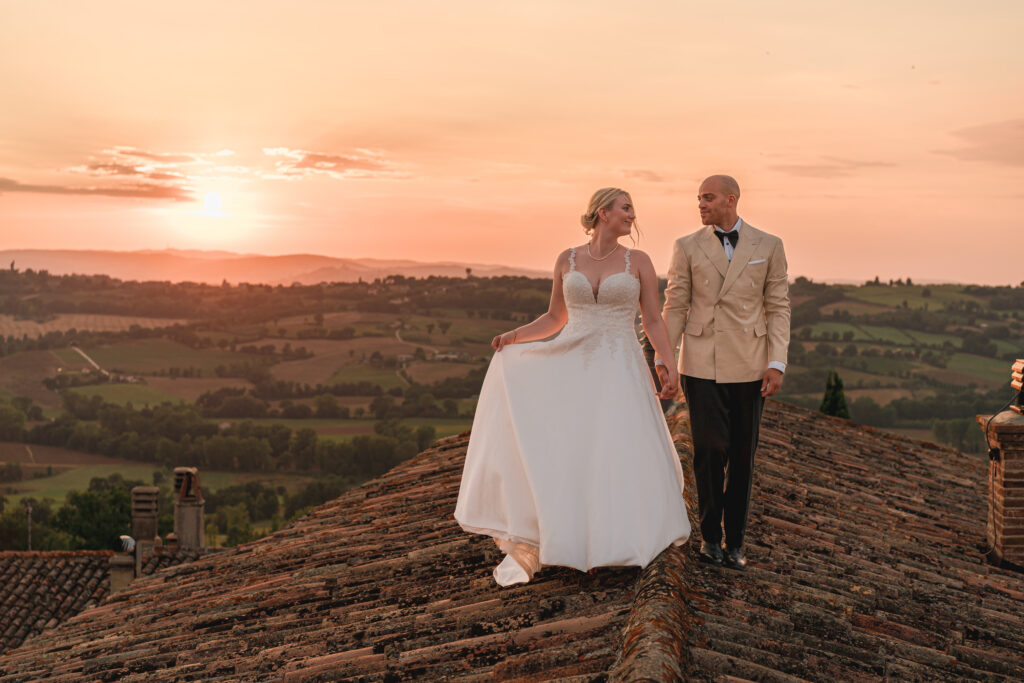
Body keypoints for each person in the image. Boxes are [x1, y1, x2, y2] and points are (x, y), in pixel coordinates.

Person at [454, 188, 691, 586]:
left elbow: (652, 319)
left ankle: (617, 541)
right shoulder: (567, 259)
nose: (633, 216)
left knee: (617, 448)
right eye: (626, 208)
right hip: (574, 364)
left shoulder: (640, 262)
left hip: (620, 366)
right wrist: (514, 336)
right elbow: (553, 317)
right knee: (575, 450)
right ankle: (574, 538)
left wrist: (666, 362)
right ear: (603, 212)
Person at [659, 175, 790, 570]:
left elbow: (778, 306)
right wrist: (666, 358)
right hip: (701, 363)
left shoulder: (769, 245)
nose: (700, 204)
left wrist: (776, 361)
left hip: (751, 364)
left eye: (708, 198)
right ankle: (709, 538)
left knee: (743, 457)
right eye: (699, 198)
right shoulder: (686, 246)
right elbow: (675, 304)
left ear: (730, 200)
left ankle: (735, 542)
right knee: (709, 451)